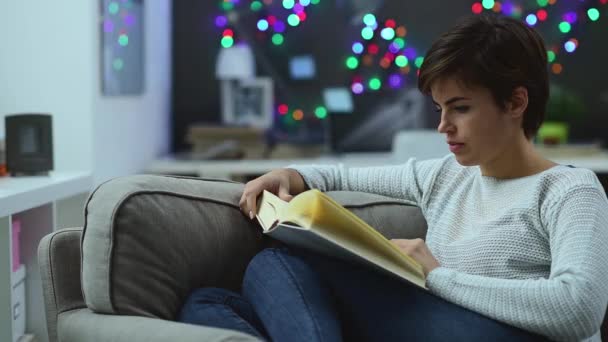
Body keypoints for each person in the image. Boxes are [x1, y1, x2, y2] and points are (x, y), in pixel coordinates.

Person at [178, 14, 608, 341]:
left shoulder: (570, 190)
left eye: (460, 108)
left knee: (280, 263)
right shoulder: (442, 177)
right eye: (440, 109)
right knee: (208, 302)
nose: (444, 127)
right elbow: (339, 174)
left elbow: (578, 309)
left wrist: (437, 276)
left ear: (515, 102)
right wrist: (290, 173)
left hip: (508, 335)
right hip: (432, 326)